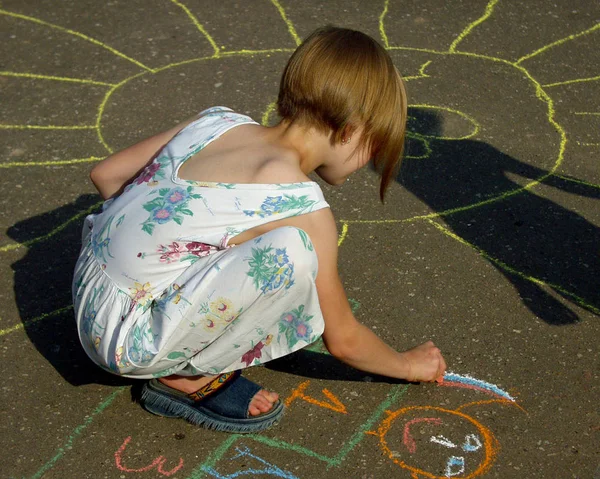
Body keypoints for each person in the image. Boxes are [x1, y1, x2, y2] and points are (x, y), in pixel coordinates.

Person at [72, 26, 446, 433]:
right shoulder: (302, 206)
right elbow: (344, 340)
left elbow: (106, 175)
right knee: (291, 253)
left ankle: (160, 317)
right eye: (376, 146)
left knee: (220, 239)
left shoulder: (217, 121)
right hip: (124, 344)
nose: (371, 160)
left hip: (90, 286)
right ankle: (182, 375)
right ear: (351, 128)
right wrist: (408, 365)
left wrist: (159, 251)